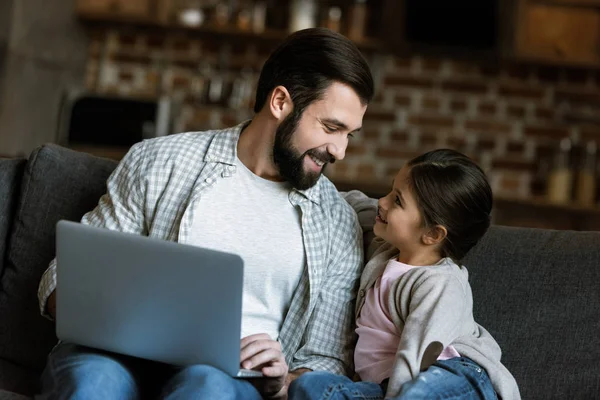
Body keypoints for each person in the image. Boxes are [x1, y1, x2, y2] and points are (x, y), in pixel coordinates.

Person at [36, 27, 374, 399]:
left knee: (207, 387)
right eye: (331, 128)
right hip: (117, 356)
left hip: (231, 379)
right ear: (280, 102)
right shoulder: (159, 161)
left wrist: (282, 382)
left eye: (349, 135)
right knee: (93, 381)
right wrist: (82, 303)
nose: (340, 150)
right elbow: (63, 280)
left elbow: (325, 360)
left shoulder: (337, 224)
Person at [289, 149, 521, 399]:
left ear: (432, 234)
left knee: (419, 393)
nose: (383, 201)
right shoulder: (382, 246)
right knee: (308, 386)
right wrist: (301, 185)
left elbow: (418, 356)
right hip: (386, 387)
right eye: (391, 190)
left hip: (450, 376)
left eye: (397, 200)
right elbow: (348, 203)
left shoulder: (440, 283)